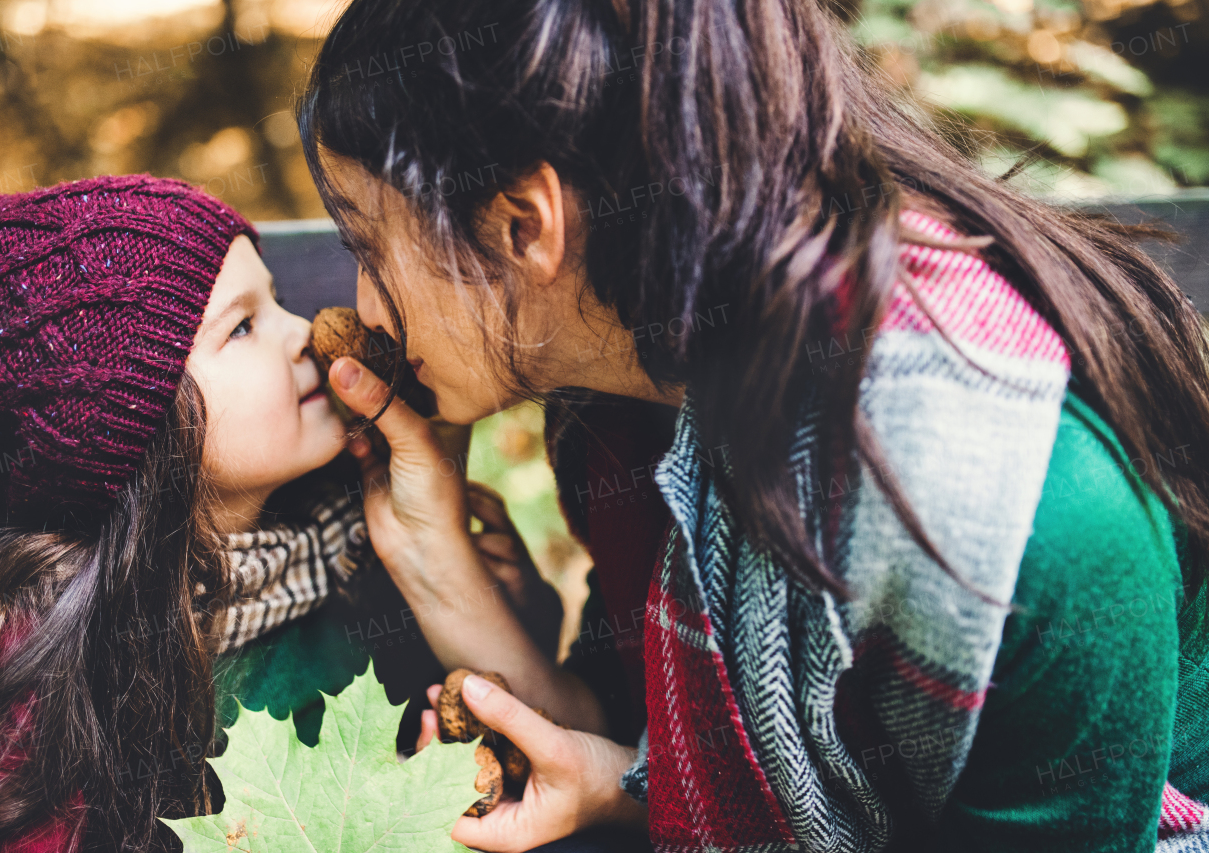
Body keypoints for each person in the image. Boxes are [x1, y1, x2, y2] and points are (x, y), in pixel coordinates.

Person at [297, 0, 1209, 850]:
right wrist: (424, 543)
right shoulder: (623, 397)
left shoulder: (1016, 507)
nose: (363, 307)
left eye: (368, 246)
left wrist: (628, 784)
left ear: (522, 225)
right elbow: (633, 733)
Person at [0, 174, 560, 852]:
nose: (304, 332)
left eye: (280, 300)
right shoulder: (41, 686)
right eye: (244, 326)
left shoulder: (338, 544)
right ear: (128, 430)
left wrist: (496, 611)